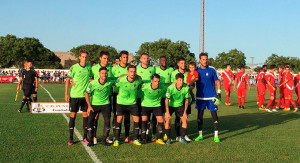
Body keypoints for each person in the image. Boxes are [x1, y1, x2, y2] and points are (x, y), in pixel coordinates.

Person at [65, 49, 92, 146]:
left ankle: (85, 137)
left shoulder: (89, 67)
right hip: (75, 96)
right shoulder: (74, 67)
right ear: (79, 57)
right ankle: (71, 138)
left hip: (85, 96)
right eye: (83, 57)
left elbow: (92, 77)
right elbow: (68, 80)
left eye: (86, 57)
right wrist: (66, 94)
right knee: (73, 116)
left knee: (85, 116)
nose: (84, 58)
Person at [194, 52, 221, 143]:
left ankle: (216, 136)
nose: (205, 61)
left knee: (214, 116)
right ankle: (200, 135)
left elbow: (217, 81)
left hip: (212, 97)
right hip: (200, 97)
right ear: (199, 60)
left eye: (206, 59)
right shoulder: (196, 70)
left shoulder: (212, 69)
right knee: (200, 116)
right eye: (203, 59)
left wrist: (219, 93)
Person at [113, 65, 143, 146]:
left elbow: (140, 84)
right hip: (121, 103)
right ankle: (117, 140)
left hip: (132, 103)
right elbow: (115, 87)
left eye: (134, 71)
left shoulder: (138, 80)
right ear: (127, 72)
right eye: (131, 71)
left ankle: (136, 139)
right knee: (119, 120)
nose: (132, 73)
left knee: (137, 120)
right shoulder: (121, 80)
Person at [85, 67, 115, 146]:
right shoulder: (93, 83)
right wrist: (89, 106)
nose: (104, 75)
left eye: (105, 73)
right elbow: (86, 93)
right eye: (102, 73)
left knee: (107, 122)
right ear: (99, 74)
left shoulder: (110, 81)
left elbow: (120, 78)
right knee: (90, 122)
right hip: (94, 105)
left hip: (106, 104)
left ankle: (104, 140)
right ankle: (91, 140)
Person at [90, 50, 113, 144]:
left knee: (108, 118)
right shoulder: (94, 68)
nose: (106, 60)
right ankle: (94, 137)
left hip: (108, 95)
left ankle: (106, 137)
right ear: (100, 58)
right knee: (95, 117)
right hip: (96, 95)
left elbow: (115, 78)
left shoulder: (111, 67)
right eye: (104, 58)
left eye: (107, 58)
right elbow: (88, 77)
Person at [111, 51, 133, 143]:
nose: (125, 59)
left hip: (128, 96)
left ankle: (127, 136)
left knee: (127, 116)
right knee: (116, 116)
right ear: (120, 58)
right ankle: (116, 136)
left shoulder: (130, 68)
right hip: (118, 95)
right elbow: (111, 80)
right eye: (124, 57)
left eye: (126, 57)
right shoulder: (114, 68)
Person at [170, 57, 192, 142]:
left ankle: (184, 135)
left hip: (186, 98)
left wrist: (190, 85)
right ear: (178, 64)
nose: (183, 65)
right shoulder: (174, 73)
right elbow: (171, 84)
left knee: (185, 117)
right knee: (177, 117)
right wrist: (179, 83)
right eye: (181, 63)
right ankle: (177, 135)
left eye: (184, 63)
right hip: (177, 99)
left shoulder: (187, 73)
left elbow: (191, 85)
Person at [165, 73, 190, 145]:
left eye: (182, 80)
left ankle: (182, 138)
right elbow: (166, 100)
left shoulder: (186, 88)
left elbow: (187, 100)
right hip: (171, 105)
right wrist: (167, 112)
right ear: (176, 80)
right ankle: (168, 138)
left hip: (180, 105)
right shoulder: (170, 88)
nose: (181, 82)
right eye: (179, 80)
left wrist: (185, 112)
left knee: (184, 119)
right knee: (168, 119)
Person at [140, 74, 165, 145]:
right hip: (145, 105)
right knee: (144, 120)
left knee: (161, 120)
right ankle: (144, 138)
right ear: (151, 81)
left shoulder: (162, 86)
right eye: (155, 81)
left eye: (158, 81)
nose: (157, 83)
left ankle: (159, 138)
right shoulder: (145, 86)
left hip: (156, 105)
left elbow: (169, 85)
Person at [136, 53, 155, 141]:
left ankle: (146, 134)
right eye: (144, 58)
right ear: (140, 59)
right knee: (139, 116)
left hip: (148, 97)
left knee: (147, 117)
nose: (146, 60)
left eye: (147, 58)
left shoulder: (152, 69)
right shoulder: (136, 69)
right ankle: (140, 133)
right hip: (138, 96)